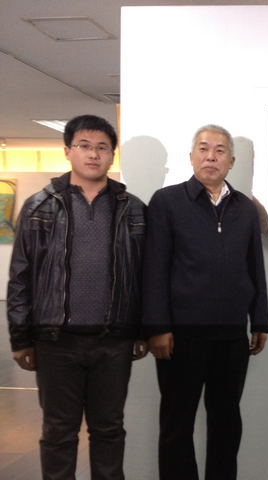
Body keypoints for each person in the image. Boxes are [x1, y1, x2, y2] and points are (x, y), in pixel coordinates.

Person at [7, 114, 147, 480]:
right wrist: (20, 336)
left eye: (102, 147)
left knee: (109, 430)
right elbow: (20, 276)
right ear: (68, 151)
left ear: (112, 155)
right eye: (84, 146)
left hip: (113, 341)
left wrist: (143, 330)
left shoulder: (133, 208)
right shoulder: (39, 206)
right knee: (58, 433)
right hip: (56, 341)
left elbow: (144, 275)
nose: (93, 154)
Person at [143, 124, 268, 480]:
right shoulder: (166, 201)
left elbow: (254, 266)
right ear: (191, 157)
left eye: (219, 150)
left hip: (231, 336)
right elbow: (154, 268)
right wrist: (157, 327)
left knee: (227, 422)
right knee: (177, 425)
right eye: (203, 148)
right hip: (181, 337)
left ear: (231, 162)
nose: (210, 156)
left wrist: (259, 320)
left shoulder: (245, 208)